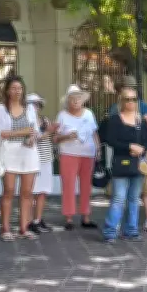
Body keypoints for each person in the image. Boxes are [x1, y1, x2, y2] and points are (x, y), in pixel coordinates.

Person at [102, 87, 147, 243]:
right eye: (127, 99)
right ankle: (110, 231)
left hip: (138, 163)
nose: (130, 102)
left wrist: (142, 149)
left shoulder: (141, 120)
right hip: (121, 163)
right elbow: (110, 140)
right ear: (121, 101)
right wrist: (129, 146)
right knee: (118, 198)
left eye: (133, 99)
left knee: (134, 198)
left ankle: (131, 230)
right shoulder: (115, 120)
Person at [0, 76, 40, 241]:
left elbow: (35, 130)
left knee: (27, 192)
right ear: (7, 90)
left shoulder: (30, 108)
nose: (17, 91)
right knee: (9, 191)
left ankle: (23, 228)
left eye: (19, 88)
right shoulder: (0, 108)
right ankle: (5, 228)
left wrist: (31, 137)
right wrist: (21, 132)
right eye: (13, 88)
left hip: (28, 152)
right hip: (8, 152)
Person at [56, 85, 101, 231]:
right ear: (68, 100)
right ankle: (69, 218)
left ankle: (86, 217)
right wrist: (67, 136)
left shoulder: (89, 113)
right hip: (68, 154)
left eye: (78, 98)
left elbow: (94, 133)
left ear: (82, 100)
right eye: (73, 98)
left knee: (86, 185)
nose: (76, 101)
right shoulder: (62, 115)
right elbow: (55, 138)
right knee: (68, 185)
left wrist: (98, 149)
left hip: (88, 153)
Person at [27, 93, 58, 234]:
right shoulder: (27, 121)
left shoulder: (45, 120)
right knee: (31, 192)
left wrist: (54, 131)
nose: (36, 107)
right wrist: (48, 132)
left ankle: (37, 220)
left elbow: (51, 137)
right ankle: (28, 221)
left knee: (43, 191)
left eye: (37, 104)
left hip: (46, 159)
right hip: (32, 160)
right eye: (32, 104)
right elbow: (32, 139)